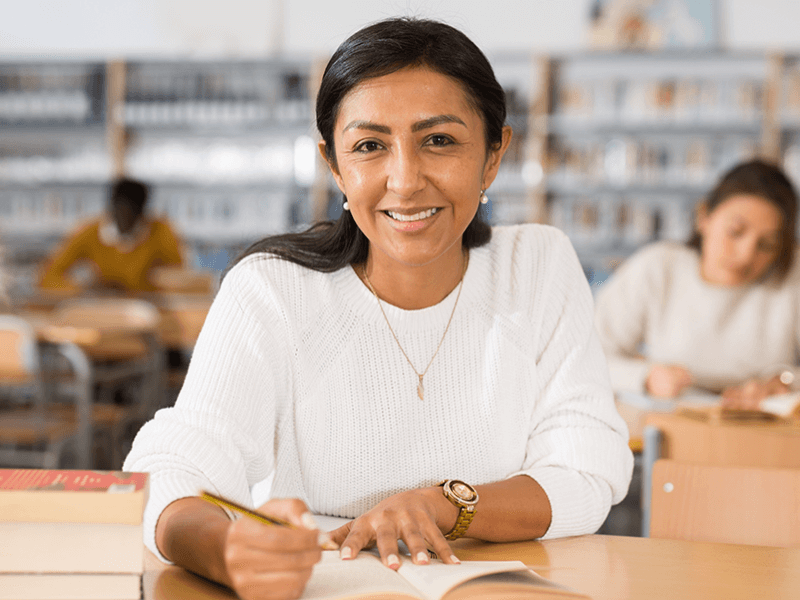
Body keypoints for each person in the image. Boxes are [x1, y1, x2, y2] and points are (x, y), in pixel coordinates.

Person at [124, 17, 633, 600]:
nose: (405, 180)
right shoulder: (271, 290)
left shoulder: (538, 266)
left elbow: (587, 475)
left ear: (494, 155)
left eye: (439, 140)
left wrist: (444, 505)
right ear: (335, 166)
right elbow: (171, 474)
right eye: (369, 146)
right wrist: (227, 551)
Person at [594, 159, 800, 411]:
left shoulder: (792, 277)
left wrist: (784, 383)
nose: (747, 254)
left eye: (766, 245)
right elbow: (588, 355)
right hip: (671, 427)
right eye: (735, 231)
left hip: (765, 435)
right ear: (704, 217)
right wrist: (645, 377)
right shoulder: (658, 268)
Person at [38, 177, 184, 294]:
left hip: (147, 311)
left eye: (132, 214)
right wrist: (83, 289)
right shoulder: (89, 232)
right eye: (119, 211)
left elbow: (180, 277)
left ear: (143, 213)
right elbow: (48, 277)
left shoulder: (161, 231)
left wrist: (152, 284)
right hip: (100, 310)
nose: (124, 220)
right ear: (110, 209)